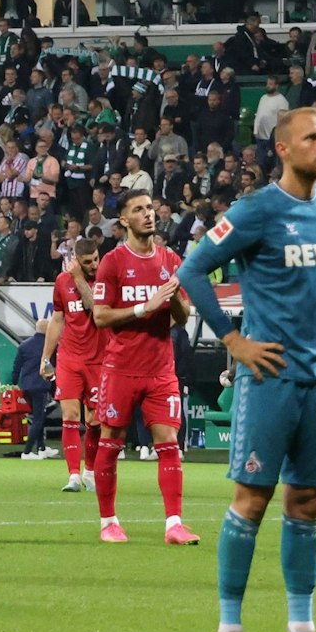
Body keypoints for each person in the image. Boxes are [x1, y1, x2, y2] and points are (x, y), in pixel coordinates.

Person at [178, 107, 316, 632]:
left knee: (307, 502)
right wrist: (233, 341)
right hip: (269, 381)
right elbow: (192, 270)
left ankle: (302, 630)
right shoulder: (255, 210)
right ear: (282, 148)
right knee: (252, 500)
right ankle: (229, 631)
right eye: (312, 138)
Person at [71, 189, 196, 545]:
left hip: (160, 369)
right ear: (124, 220)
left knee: (168, 442)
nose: (148, 214)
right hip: (120, 368)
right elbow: (101, 316)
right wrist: (145, 307)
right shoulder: (112, 262)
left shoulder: (170, 259)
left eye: (150, 208)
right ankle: (108, 521)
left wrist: (174, 297)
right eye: (139, 209)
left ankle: (174, 524)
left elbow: (182, 316)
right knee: (111, 441)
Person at [39, 238, 101, 493]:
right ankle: (73, 475)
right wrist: (46, 358)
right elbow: (57, 320)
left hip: (99, 359)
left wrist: (78, 277)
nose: (94, 265)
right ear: (76, 260)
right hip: (69, 358)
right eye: (88, 262)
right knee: (70, 415)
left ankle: (90, 471)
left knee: (95, 420)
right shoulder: (61, 282)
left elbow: (95, 307)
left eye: (96, 259)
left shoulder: (105, 279)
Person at [14, 321, 52, 460]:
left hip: (27, 387)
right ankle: (27, 451)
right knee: (38, 419)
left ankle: (41, 449)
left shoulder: (24, 345)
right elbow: (52, 366)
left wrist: (14, 383)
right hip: (41, 386)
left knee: (37, 417)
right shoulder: (49, 346)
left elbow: (16, 366)